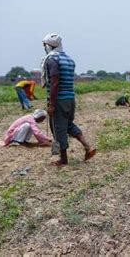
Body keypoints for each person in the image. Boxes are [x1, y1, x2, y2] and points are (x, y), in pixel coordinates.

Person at [41, 33, 96, 166]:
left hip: (59, 100)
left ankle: (63, 159)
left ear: (49, 46)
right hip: (70, 99)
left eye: (44, 45)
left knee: (58, 128)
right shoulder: (69, 59)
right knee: (68, 124)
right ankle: (88, 147)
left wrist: (52, 104)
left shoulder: (52, 60)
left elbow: (54, 82)